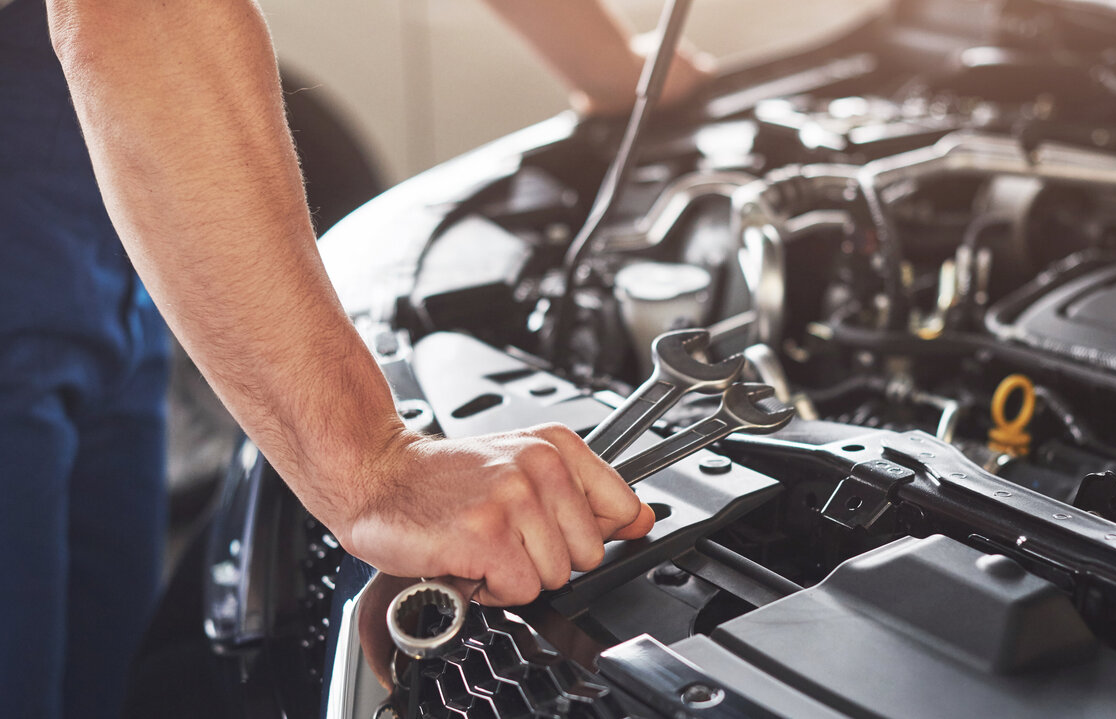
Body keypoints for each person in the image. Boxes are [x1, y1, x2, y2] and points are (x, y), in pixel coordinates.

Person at [0, 0, 710, 716]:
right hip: (76, 111)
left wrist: (617, 75)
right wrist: (371, 469)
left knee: (94, 673)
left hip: (94, 143)